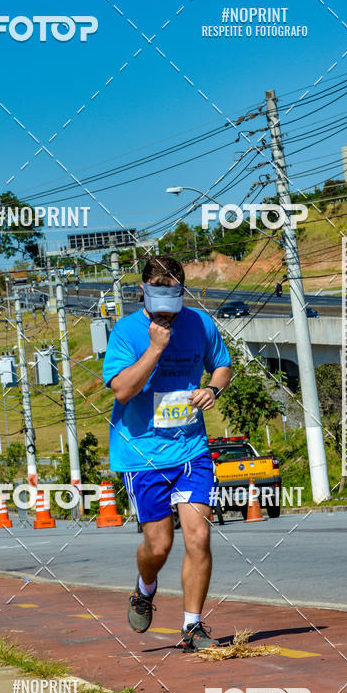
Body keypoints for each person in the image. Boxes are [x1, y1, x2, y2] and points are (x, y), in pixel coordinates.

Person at [102, 256, 232, 652]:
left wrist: (213, 388)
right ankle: (145, 588)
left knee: (199, 536)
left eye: (174, 292)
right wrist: (156, 348)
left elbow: (222, 366)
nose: (166, 301)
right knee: (159, 546)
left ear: (182, 291)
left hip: (190, 448)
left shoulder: (199, 323)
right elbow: (122, 390)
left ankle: (192, 627)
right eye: (159, 291)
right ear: (143, 289)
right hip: (143, 454)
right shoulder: (126, 332)